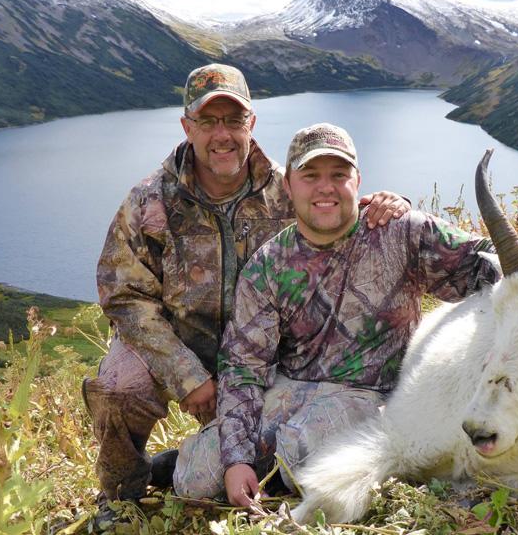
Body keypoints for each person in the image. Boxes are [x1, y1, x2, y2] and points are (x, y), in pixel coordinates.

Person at [83, 64, 409, 508]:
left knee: (282, 431)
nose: (222, 135)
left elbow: (336, 215)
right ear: (186, 126)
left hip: (266, 351)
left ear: (251, 123)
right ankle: (120, 494)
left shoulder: (287, 189)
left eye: (234, 120)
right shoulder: (149, 200)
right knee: (120, 387)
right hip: (179, 343)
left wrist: (388, 208)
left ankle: (191, 461)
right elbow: (123, 296)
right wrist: (187, 374)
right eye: (208, 121)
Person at [171, 123, 500, 506]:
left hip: (373, 395)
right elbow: (242, 367)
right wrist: (236, 461)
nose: (325, 187)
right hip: (291, 388)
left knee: (298, 457)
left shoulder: (402, 232)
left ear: (357, 180)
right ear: (288, 185)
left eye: (338, 175)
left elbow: (493, 263)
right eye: (310, 176)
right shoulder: (268, 265)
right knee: (196, 479)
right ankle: (209, 464)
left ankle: (279, 470)